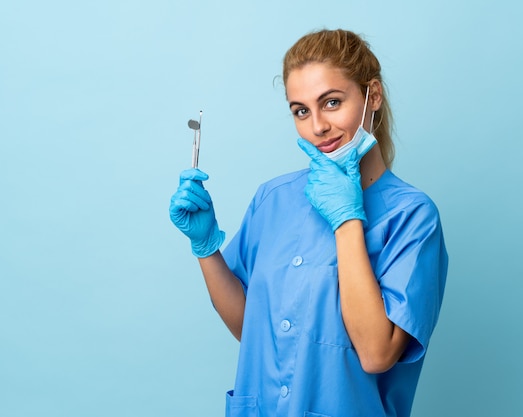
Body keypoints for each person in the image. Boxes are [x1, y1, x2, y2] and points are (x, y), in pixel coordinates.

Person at [169, 28, 448, 417]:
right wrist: (206, 249)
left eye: (332, 102)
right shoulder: (274, 198)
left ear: (374, 96)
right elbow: (250, 329)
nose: (317, 126)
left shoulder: (412, 217)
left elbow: (377, 353)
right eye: (301, 110)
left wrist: (347, 217)